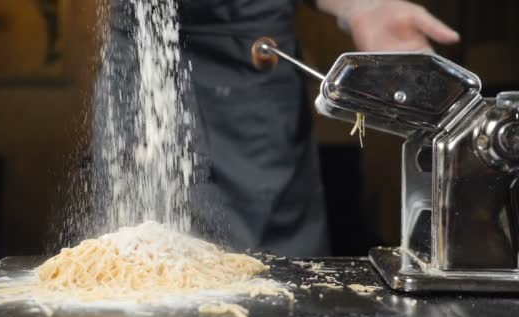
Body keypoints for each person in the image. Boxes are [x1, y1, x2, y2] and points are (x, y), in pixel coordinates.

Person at [107, 0, 459, 257]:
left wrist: (360, 6)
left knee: (274, 274)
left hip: (251, 71)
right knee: (139, 256)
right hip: (137, 63)